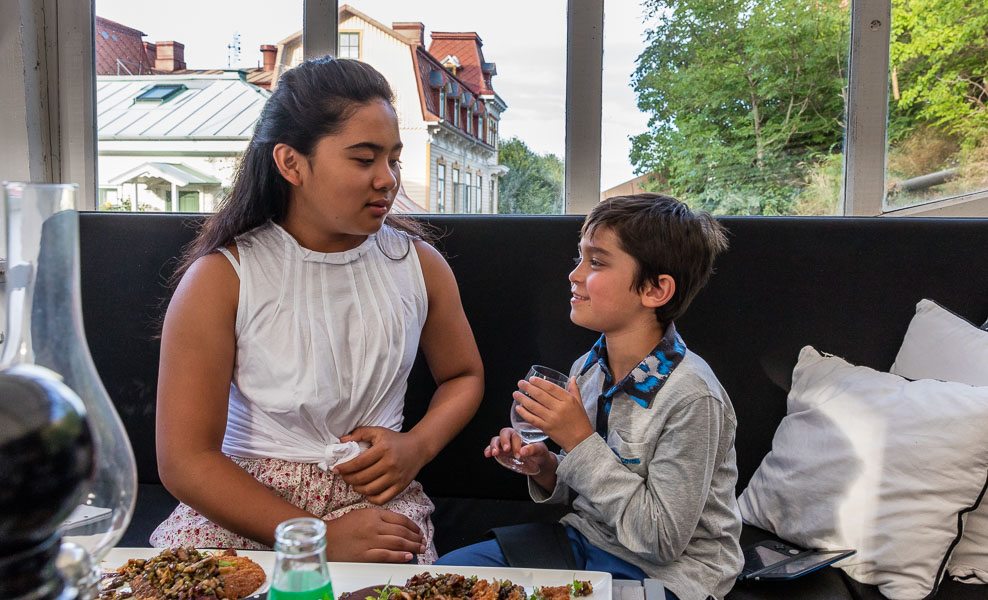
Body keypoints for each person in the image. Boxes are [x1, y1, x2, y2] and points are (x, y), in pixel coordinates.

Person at [150, 57, 484, 564]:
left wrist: (416, 447)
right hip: (241, 506)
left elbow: (463, 374)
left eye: (393, 159)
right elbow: (185, 460)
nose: (387, 179)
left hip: (373, 505)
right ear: (291, 163)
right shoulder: (221, 278)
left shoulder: (421, 266)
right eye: (363, 159)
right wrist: (315, 536)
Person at [436, 194, 743, 600]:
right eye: (579, 258)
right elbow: (589, 490)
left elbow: (660, 538)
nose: (574, 275)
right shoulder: (589, 368)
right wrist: (547, 467)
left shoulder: (693, 397)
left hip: (670, 573)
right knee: (442, 580)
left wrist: (579, 440)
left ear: (654, 289)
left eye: (596, 262)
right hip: (584, 542)